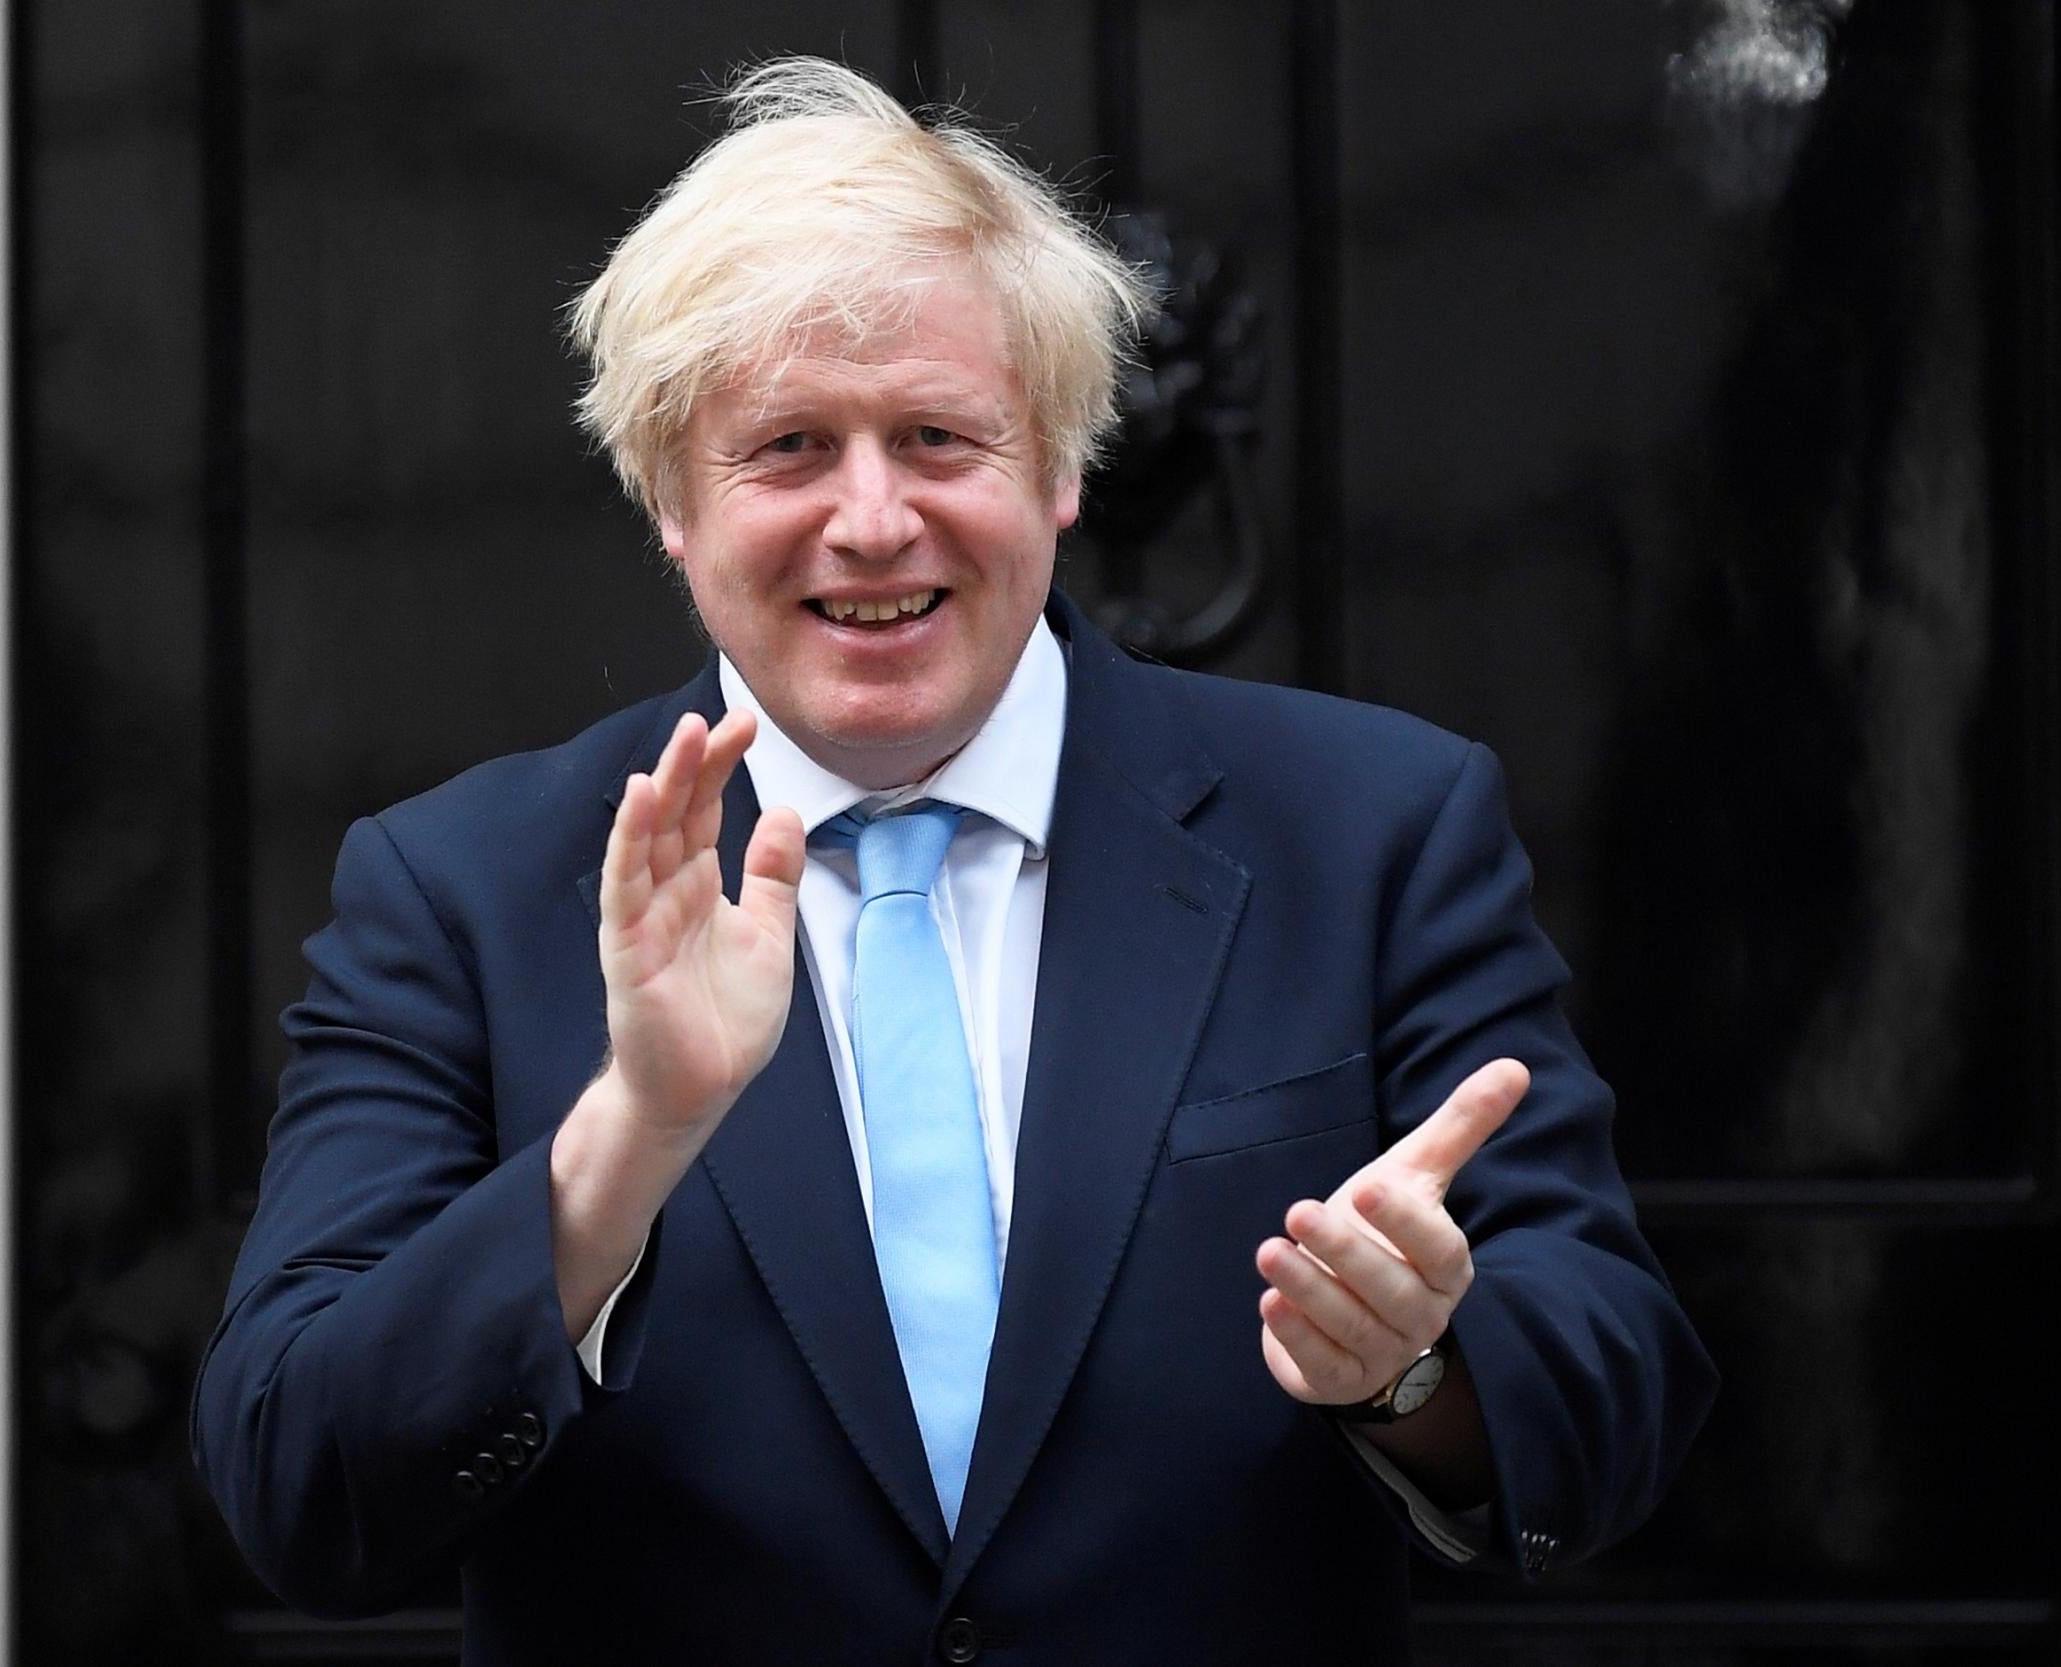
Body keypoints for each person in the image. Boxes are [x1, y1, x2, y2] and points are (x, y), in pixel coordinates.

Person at [192, 57, 1714, 1665]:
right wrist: (628, 1145)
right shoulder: (458, 892)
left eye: (937, 437)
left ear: (1060, 466)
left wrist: (1414, 1370)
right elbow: (300, 1483)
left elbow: (1619, 1396)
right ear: (669, 500)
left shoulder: (1373, 828)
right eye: (787, 448)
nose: (871, 520)